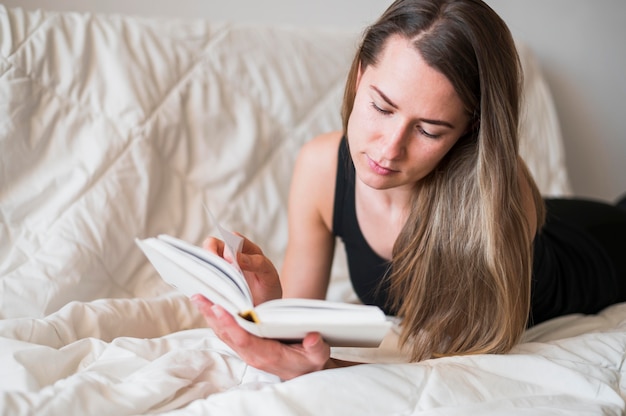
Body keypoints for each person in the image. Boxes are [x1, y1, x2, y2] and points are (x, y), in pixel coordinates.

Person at [192, 0, 626, 380]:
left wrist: (323, 369)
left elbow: (456, 366)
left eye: (429, 130)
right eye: (381, 106)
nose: (389, 148)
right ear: (360, 75)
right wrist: (266, 306)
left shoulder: (497, 196)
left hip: (602, 249)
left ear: (468, 131)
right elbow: (303, 317)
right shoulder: (321, 166)